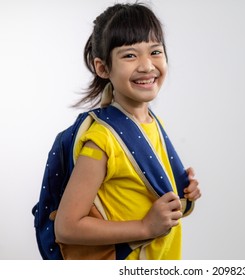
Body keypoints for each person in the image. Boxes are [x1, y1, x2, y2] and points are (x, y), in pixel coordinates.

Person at [54, 2, 201, 260]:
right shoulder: (101, 140)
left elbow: (149, 196)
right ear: (103, 68)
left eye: (155, 52)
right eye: (130, 55)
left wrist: (184, 193)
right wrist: (144, 227)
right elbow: (66, 227)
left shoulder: (152, 124)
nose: (146, 66)